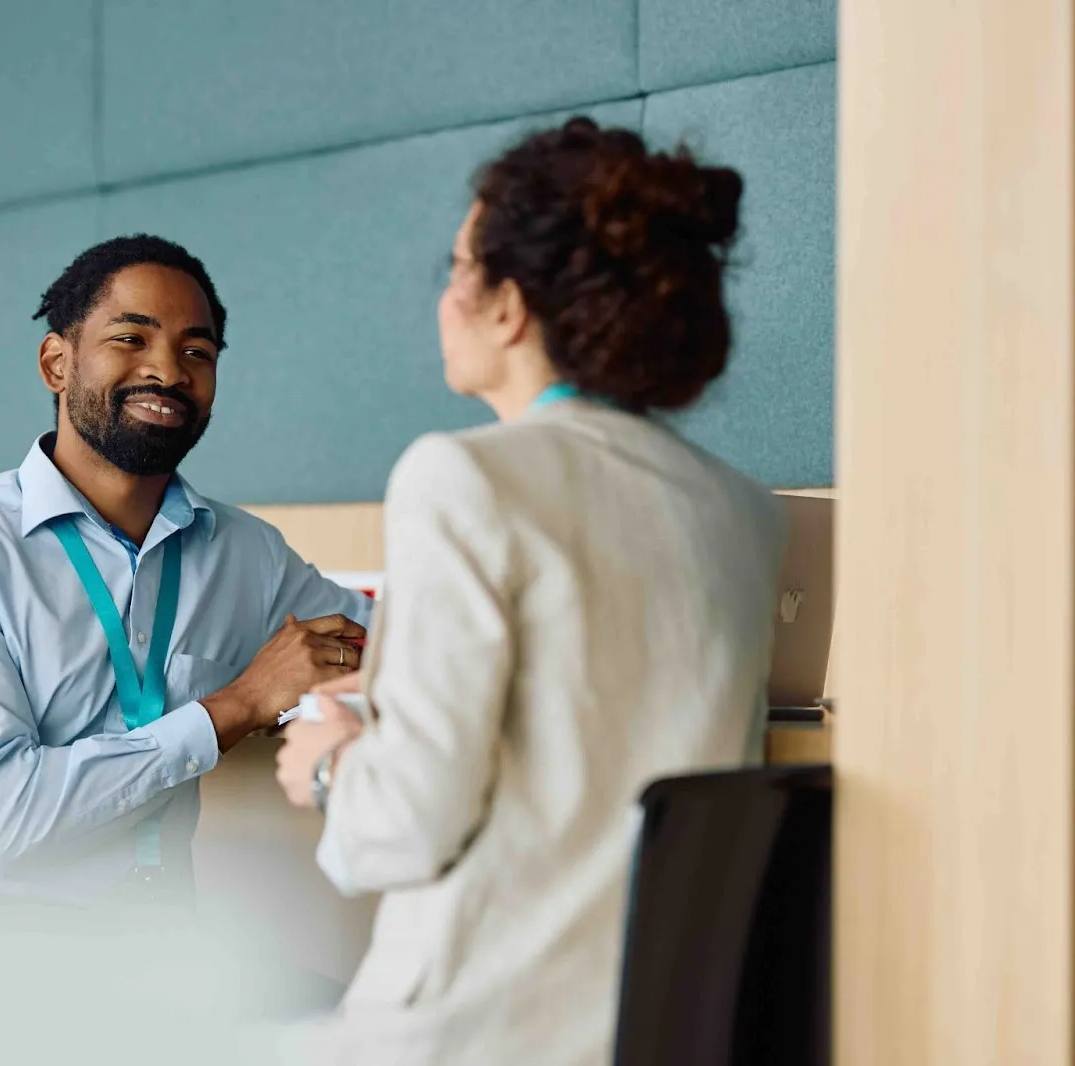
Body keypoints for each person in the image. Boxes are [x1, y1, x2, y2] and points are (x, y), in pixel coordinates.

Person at [274, 119, 786, 1064]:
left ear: (507, 307)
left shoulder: (463, 480)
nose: (444, 295)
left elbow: (404, 829)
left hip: (472, 1028)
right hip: (648, 1033)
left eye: (457, 265)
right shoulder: (743, 513)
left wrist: (329, 762)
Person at [0, 235, 371, 901]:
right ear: (57, 363)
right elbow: (2, 825)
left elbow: (387, 642)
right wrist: (238, 705)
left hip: (139, 951)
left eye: (196, 352)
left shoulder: (245, 553)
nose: (169, 372)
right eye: (131, 339)